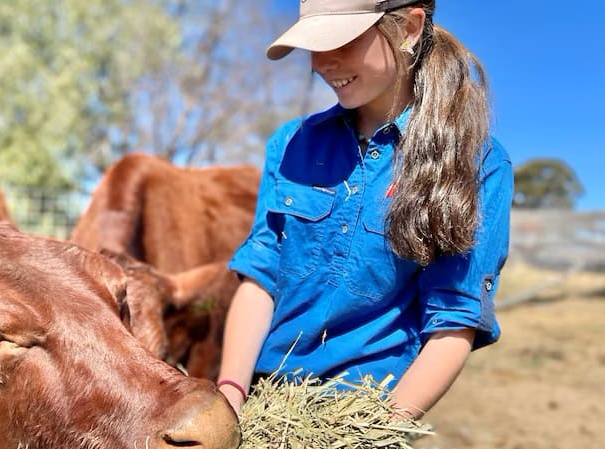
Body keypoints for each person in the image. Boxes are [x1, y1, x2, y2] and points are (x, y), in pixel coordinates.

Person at [215, 0, 513, 420]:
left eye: (342, 40)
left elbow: (452, 320)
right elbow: (261, 276)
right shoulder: (291, 144)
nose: (323, 63)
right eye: (313, 45)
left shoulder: (479, 165)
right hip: (262, 402)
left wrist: (380, 434)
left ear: (409, 29)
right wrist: (230, 394)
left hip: (366, 415)